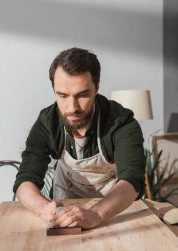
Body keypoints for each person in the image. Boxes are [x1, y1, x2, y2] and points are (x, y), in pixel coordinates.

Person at [13, 47, 145, 229]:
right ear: (54, 91)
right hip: (64, 206)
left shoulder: (121, 122)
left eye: (82, 95)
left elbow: (132, 180)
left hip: (112, 210)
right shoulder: (47, 122)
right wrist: (44, 208)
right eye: (63, 96)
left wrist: (97, 214)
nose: (72, 107)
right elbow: (25, 181)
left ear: (96, 88)